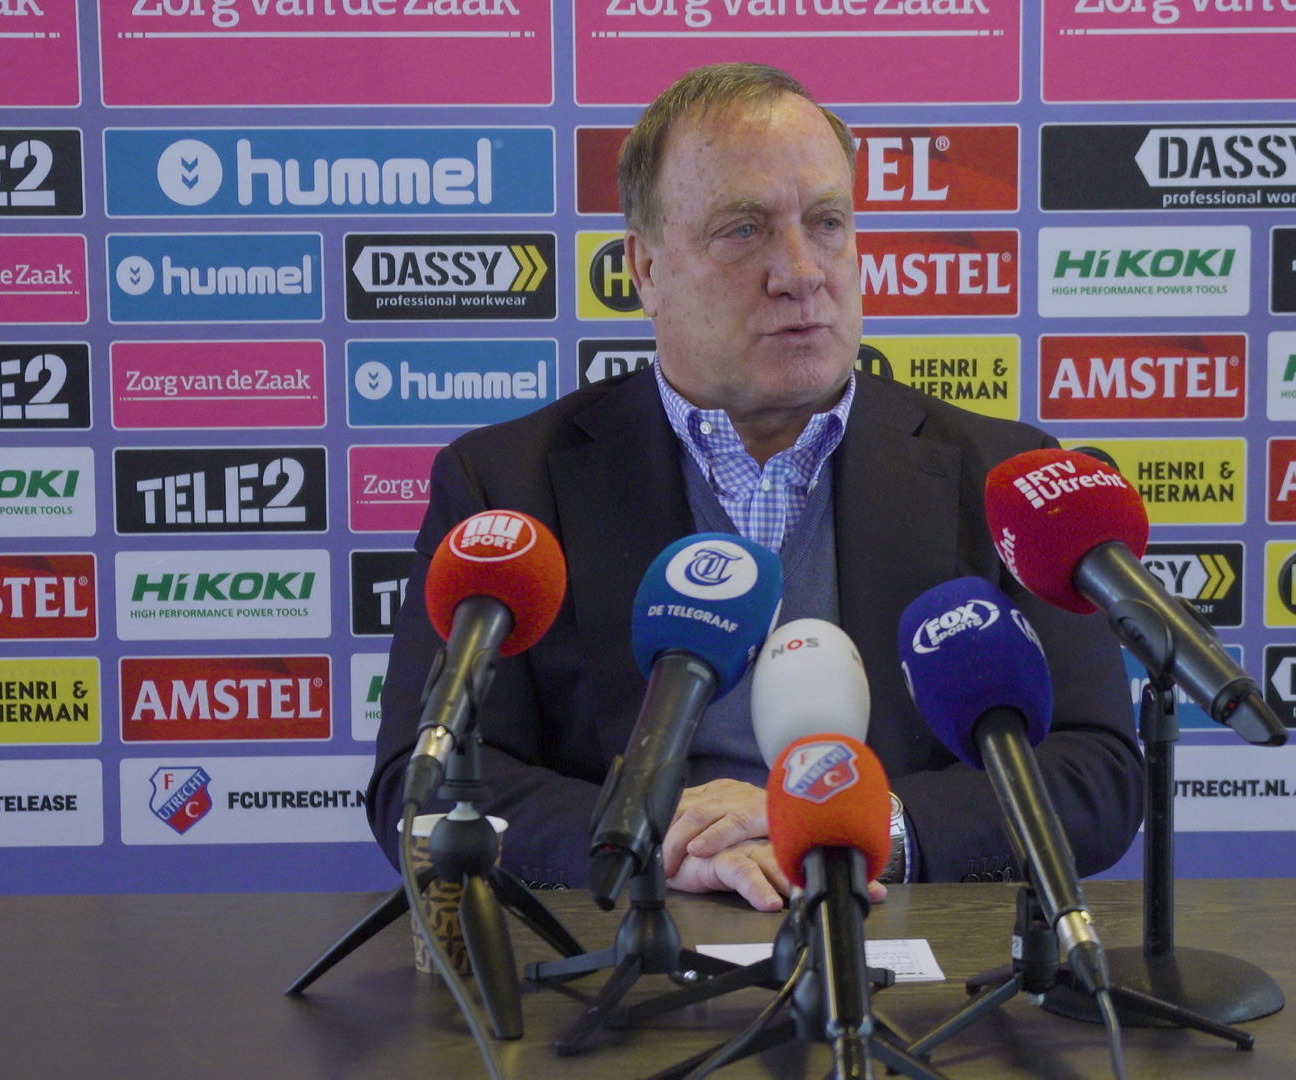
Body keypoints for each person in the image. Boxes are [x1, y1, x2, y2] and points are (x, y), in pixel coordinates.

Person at [366, 63, 1144, 912]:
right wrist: (647, 837)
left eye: (828, 223)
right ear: (646, 268)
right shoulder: (503, 482)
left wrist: (860, 823)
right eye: (744, 230)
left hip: (905, 952)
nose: (801, 272)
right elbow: (420, 781)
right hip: (634, 946)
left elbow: (1096, 775)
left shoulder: (1005, 478)